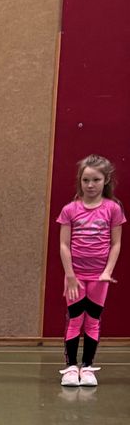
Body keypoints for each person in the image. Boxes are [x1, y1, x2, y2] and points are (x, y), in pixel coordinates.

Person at [57, 155, 123, 388]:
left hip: (99, 277)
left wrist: (107, 271)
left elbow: (116, 243)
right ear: (80, 181)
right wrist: (71, 275)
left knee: (92, 320)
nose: (90, 185)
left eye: (96, 179)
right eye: (86, 180)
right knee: (75, 319)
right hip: (75, 276)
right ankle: (71, 368)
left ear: (105, 180)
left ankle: (87, 367)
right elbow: (64, 244)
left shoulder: (112, 209)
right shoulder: (70, 209)